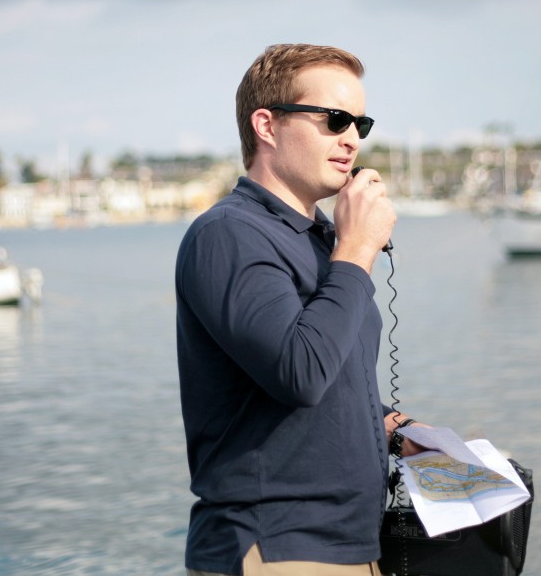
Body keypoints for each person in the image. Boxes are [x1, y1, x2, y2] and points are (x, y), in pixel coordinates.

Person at [175, 44, 424, 576]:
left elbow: (326, 375)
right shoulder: (228, 234)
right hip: (276, 545)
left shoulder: (325, 241)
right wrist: (357, 251)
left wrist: (385, 426)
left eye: (361, 122)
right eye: (335, 119)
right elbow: (300, 373)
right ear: (267, 124)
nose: (352, 138)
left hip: (355, 544)